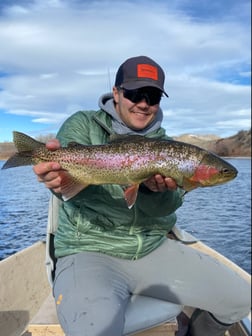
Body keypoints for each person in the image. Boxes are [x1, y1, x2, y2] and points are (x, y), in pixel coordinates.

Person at [33, 56, 250, 336]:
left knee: (241, 299)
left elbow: (166, 209)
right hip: (88, 249)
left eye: (153, 95)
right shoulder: (82, 125)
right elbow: (63, 184)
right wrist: (54, 179)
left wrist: (149, 190)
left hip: (151, 248)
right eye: (135, 93)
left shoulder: (171, 148)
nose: (144, 103)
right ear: (116, 93)